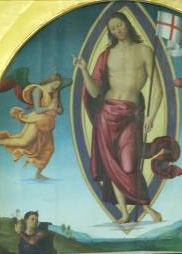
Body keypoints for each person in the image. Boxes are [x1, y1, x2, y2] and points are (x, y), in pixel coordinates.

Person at [74, 12, 164, 224]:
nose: (117, 30)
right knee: (111, 165)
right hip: (106, 114)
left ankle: (147, 207)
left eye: (119, 25)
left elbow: (158, 89)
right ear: (110, 32)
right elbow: (95, 92)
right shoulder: (106, 55)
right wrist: (84, 70)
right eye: (113, 28)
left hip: (131, 115)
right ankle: (124, 212)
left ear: (127, 24)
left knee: (128, 164)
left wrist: (151, 115)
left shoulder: (144, 51)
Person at [0, 73, 70, 179]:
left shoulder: (55, 93)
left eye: (58, 85)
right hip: (37, 121)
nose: (56, 86)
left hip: (48, 125)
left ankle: (38, 174)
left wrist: (57, 109)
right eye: (55, 83)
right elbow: (37, 110)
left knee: (49, 149)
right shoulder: (39, 90)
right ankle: (1, 141)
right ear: (50, 81)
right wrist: (50, 108)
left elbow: (60, 110)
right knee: (24, 141)